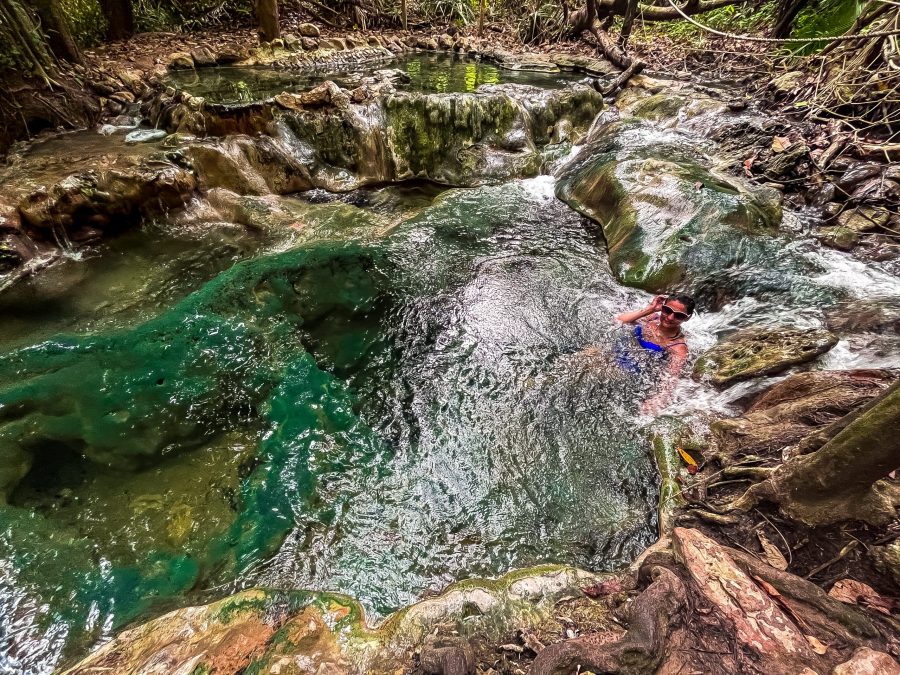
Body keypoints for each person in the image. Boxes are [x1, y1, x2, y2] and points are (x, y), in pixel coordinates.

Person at [614, 294, 695, 414]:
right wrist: (650, 308)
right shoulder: (652, 318)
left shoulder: (678, 347)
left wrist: (658, 399)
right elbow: (618, 321)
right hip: (618, 353)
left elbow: (672, 377)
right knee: (589, 353)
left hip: (630, 371)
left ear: (687, 318)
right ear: (662, 307)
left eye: (678, 315)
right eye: (667, 310)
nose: (670, 317)